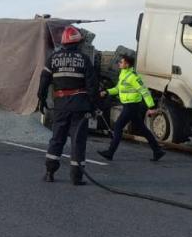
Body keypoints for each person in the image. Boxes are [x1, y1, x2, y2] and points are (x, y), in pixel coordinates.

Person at [36, 25, 97, 185]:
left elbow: (43, 81)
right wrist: (93, 106)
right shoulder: (84, 59)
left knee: (57, 138)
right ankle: (76, 178)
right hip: (80, 107)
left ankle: (49, 172)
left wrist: (41, 99)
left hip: (61, 105)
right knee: (78, 141)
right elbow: (92, 85)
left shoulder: (53, 59)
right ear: (77, 43)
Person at [97, 54, 165, 161]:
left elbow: (145, 91)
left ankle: (110, 153)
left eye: (121, 62)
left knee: (118, 127)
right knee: (143, 129)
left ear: (127, 64)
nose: (119, 63)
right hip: (129, 106)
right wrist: (106, 92)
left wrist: (151, 106)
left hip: (131, 106)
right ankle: (157, 151)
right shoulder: (123, 74)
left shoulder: (133, 77)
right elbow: (117, 89)